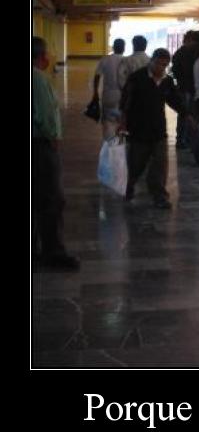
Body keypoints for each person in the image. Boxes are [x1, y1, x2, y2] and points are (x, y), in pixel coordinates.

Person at [118, 49, 193, 209]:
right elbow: (125, 101)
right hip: (138, 129)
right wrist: (122, 122)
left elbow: (174, 100)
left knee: (160, 164)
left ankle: (159, 196)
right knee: (136, 163)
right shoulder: (136, 78)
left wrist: (186, 113)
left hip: (159, 129)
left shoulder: (166, 81)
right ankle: (129, 186)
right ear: (151, 61)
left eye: (165, 65)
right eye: (159, 64)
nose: (161, 68)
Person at [32, 36, 81, 270]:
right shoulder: (37, 79)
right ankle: (54, 253)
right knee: (51, 199)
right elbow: (45, 117)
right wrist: (53, 139)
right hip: (39, 147)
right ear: (42, 57)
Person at [171, 30, 199, 148]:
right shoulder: (197, 52)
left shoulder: (179, 53)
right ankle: (192, 140)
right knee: (193, 115)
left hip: (183, 87)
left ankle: (181, 139)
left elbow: (175, 70)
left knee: (183, 114)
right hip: (193, 88)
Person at [93, 38, 125, 139]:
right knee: (122, 123)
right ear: (124, 48)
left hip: (108, 96)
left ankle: (109, 143)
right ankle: (119, 145)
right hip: (123, 97)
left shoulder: (105, 59)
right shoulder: (127, 60)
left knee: (108, 124)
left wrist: (95, 92)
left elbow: (97, 76)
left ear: (113, 47)